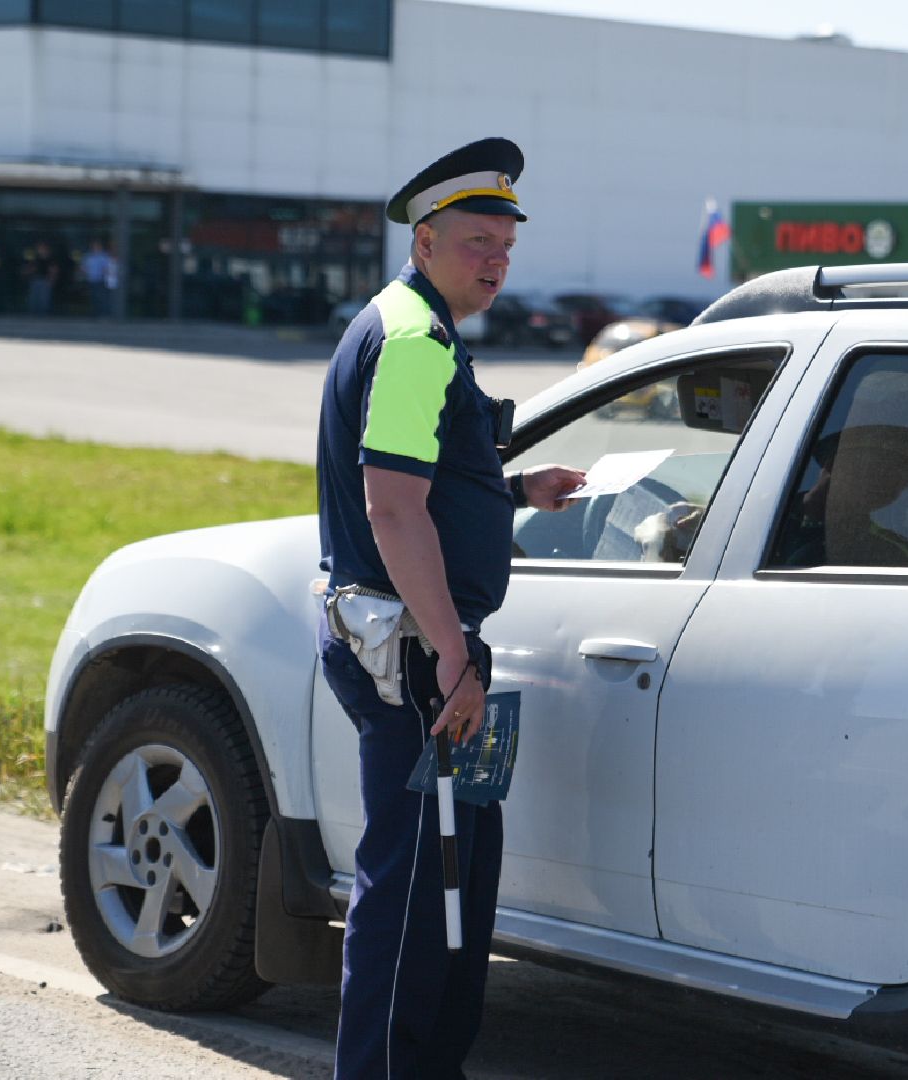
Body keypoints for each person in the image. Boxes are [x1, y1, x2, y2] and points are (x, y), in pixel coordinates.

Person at [315, 136, 584, 1080]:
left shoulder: (409, 327)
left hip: (431, 649)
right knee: (416, 890)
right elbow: (390, 508)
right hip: (421, 657)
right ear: (423, 241)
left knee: (453, 876)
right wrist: (453, 660)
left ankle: (429, 1064)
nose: (495, 260)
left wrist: (516, 491)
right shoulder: (415, 342)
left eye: (505, 243)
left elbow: (428, 480)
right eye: (476, 239)